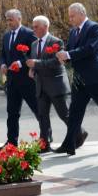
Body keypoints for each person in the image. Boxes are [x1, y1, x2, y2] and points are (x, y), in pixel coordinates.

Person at [54, 3, 98, 156]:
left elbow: (90, 48)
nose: (70, 19)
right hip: (80, 79)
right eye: (70, 16)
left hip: (96, 78)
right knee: (74, 112)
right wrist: (63, 57)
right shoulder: (73, 32)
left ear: (81, 13)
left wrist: (68, 55)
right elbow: (72, 53)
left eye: (72, 16)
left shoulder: (94, 27)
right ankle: (69, 144)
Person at [25, 15, 85, 153]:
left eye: (36, 26)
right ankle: (44, 144)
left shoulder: (56, 42)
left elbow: (56, 62)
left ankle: (80, 133)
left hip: (56, 85)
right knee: (42, 116)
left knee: (64, 114)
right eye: (32, 26)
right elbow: (36, 61)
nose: (33, 29)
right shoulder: (34, 44)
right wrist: (32, 69)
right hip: (41, 85)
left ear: (45, 27)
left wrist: (36, 64)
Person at [0, 9, 38, 147]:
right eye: (7, 20)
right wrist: (2, 63)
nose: (8, 22)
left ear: (19, 19)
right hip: (12, 81)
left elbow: (34, 53)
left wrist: (20, 63)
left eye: (11, 19)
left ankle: (46, 139)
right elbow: (2, 53)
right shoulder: (7, 36)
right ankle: (11, 142)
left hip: (27, 80)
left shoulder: (29, 33)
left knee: (37, 110)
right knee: (12, 113)